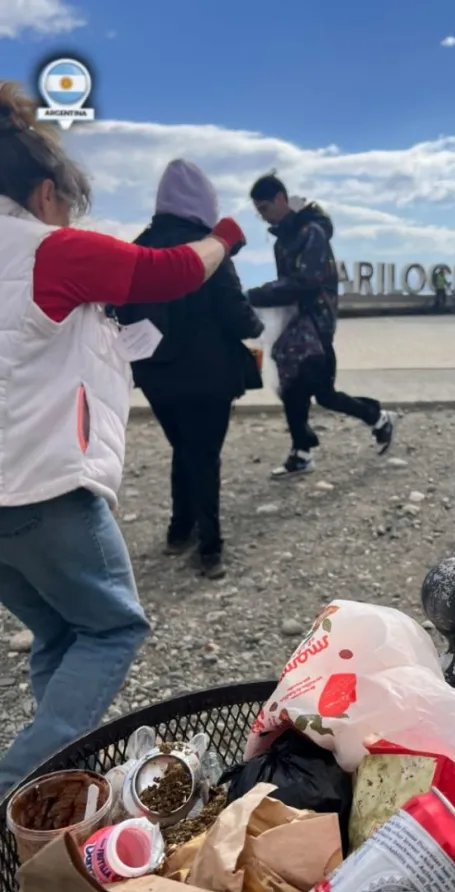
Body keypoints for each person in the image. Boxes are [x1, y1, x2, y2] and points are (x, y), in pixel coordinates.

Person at [0, 81, 247, 796]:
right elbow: (167, 272)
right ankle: (23, 786)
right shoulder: (47, 250)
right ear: (46, 192)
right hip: (44, 486)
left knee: (61, 635)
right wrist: (225, 237)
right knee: (113, 628)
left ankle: (63, 780)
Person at [114, 160, 263, 580]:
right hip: (209, 376)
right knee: (205, 455)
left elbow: (119, 310)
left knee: (183, 447)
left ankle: (179, 530)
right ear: (204, 203)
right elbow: (237, 316)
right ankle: (210, 548)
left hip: (156, 377)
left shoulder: (137, 246)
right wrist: (257, 325)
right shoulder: (207, 248)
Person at [247, 175, 394, 479]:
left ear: (280, 199)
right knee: (292, 388)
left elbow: (306, 282)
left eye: (264, 208)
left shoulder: (310, 232)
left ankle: (377, 416)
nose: (262, 216)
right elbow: (289, 287)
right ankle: (301, 452)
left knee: (322, 393)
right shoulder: (284, 240)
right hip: (294, 326)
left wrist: (257, 294)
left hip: (317, 324)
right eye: (257, 211)